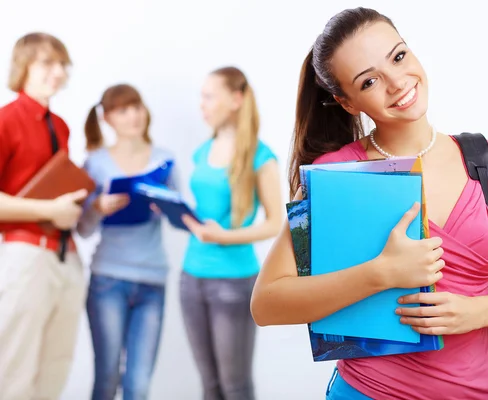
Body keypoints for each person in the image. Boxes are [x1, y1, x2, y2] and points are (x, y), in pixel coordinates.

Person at [250, 7, 488, 400]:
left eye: (398, 56)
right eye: (370, 80)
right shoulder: (335, 174)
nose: (397, 83)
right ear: (347, 102)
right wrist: (382, 273)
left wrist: (473, 313)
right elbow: (266, 304)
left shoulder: (481, 159)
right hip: (367, 392)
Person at [179, 66, 282, 400]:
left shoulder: (261, 156)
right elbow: (204, 213)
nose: (202, 105)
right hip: (191, 277)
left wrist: (221, 237)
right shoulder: (202, 151)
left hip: (233, 283)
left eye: (209, 96)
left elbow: (274, 222)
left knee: (234, 386)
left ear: (236, 99)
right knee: (209, 386)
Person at [0, 32, 88, 400]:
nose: (57, 71)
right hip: (27, 257)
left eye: (61, 64)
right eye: (46, 63)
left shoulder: (61, 125)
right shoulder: (6, 120)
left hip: (66, 258)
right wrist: (49, 210)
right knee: (15, 370)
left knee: (56, 365)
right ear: (24, 67)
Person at [77, 84, 178, 400]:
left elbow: (184, 219)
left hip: (152, 281)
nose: (133, 115)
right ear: (107, 118)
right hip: (108, 279)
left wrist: (165, 206)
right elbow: (82, 229)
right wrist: (97, 207)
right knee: (106, 379)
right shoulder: (94, 163)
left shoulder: (164, 159)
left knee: (139, 385)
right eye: (123, 110)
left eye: (137, 107)